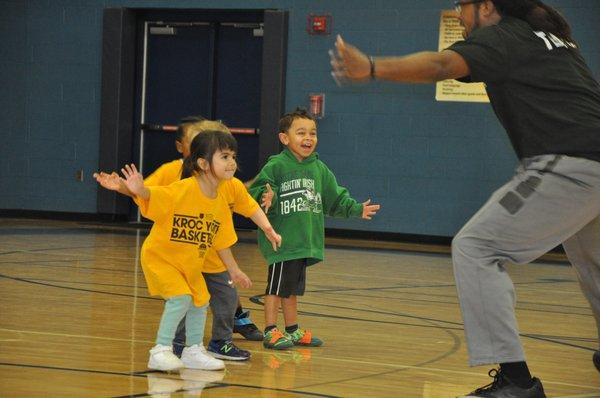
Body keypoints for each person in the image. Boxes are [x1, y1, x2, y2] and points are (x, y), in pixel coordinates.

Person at [330, 0, 600, 396]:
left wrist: (371, 67)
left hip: (568, 162)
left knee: (475, 247)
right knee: (595, 264)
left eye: (461, 4)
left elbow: (442, 66)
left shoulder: (502, 36)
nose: (456, 12)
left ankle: (516, 382)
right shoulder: (554, 39)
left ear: (486, 6)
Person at [94, 118, 265, 362]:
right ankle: (168, 347)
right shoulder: (178, 180)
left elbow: (224, 235)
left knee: (205, 299)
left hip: (200, 255)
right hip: (172, 254)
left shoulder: (223, 188)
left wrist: (237, 266)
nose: (230, 161)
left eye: (231, 156)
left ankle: (200, 348)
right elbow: (147, 192)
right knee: (182, 299)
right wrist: (125, 186)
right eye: (224, 156)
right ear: (193, 152)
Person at [249, 108, 380, 350]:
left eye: (313, 133)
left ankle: (292, 329)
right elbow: (258, 191)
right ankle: (270, 329)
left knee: (291, 290)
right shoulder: (276, 165)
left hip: (304, 241)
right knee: (276, 289)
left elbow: (335, 198)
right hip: (282, 241)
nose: (308, 138)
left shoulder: (319, 170)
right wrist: (266, 197)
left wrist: (355, 209)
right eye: (301, 133)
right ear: (284, 138)